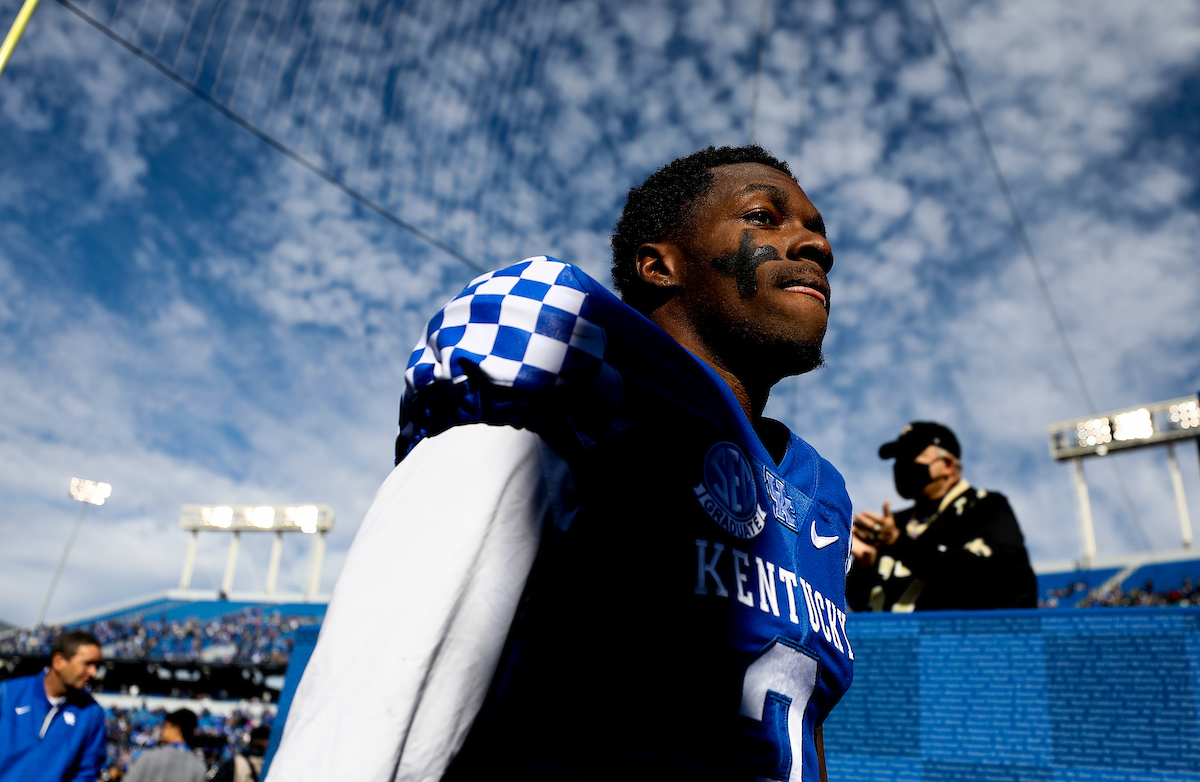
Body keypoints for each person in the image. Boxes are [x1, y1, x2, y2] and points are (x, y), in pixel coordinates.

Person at [268, 145, 855, 781]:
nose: (815, 246)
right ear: (659, 266)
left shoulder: (820, 494)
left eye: (817, 230)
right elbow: (374, 710)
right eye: (765, 217)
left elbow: (800, 729)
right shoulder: (568, 396)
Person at [846, 422, 1037, 612]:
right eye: (898, 459)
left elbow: (995, 578)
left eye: (911, 456)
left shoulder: (985, 507)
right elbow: (858, 602)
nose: (901, 466)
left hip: (960, 639)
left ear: (947, 464)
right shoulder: (893, 523)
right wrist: (865, 566)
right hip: (888, 640)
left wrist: (898, 543)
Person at [0, 630, 107, 782]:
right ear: (58, 662)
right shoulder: (7, 694)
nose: (93, 672)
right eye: (87, 664)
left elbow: (87, 771)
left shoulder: (91, 713)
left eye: (96, 665)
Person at [123, 709, 206, 782]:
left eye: (166, 727)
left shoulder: (149, 757)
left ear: (176, 730)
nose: (163, 730)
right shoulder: (198, 767)